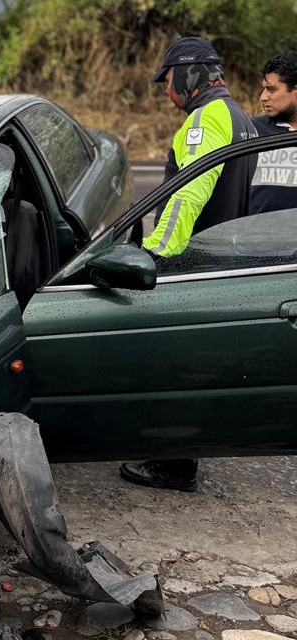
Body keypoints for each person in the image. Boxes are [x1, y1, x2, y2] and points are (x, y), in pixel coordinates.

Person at [120, 36, 257, 492]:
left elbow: (189, 191)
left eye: (168, 80)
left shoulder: (207, 118)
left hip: (192, 259)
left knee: (175, 363)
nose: (165, 90)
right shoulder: (240, 117)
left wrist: (155, 252)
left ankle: (173, 464)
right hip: (224, 254)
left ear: (191, 74)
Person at [250, 52, 297, 215]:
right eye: (263, 89)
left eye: (271, 89)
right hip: (256, 238)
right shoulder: (250, 130)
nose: (263, 97)